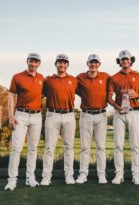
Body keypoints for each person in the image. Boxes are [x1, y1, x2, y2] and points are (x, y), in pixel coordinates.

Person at [5, 53, 44, 191]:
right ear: (27, 61)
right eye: (31, 61)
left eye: (36, 62)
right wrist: (11, 115)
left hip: (37, 116)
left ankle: (30, 178)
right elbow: (11, 96)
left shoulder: (41, 78)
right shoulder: (17, 77)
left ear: (39, 63)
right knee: (16, 149)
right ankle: (12, 180)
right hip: (20, 115)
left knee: (33, 148)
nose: (33, 64)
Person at [108, 50, 139, 185]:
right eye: (122, 59)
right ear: (120, 61)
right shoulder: (114, 77)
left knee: (135, 145)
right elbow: (108, 97)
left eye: (127, 59)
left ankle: (136, 175)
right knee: (118, 145)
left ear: (131, 60)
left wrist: (136, 95)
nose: (125, 61)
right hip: (119, 114)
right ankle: (119, 175)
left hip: (134, 112)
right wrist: (118, 107)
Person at [41, 54, 78, 186]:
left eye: (64, 63)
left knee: (69, 147)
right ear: (56, 64)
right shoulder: (48, 80)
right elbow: (39, 93)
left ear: (67, 65)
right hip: (52, 114)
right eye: (59, 63)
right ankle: (46, 177)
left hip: (69, 115)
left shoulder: (74, 80)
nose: (62, 65)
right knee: (49, 148)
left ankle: (69, 176)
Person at [75, 54, 110, 184]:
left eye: (96, 63)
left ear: (99, 64)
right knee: (85, 147)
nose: (93, 65)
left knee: (101, 146)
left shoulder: (106, 76)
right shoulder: (80, 77)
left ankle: (101, 174)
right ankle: (83, 174)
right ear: (87, 63)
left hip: (101, 115)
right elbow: (74, 90)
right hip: (86, 114)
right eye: (91, 62)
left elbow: (112, 90)